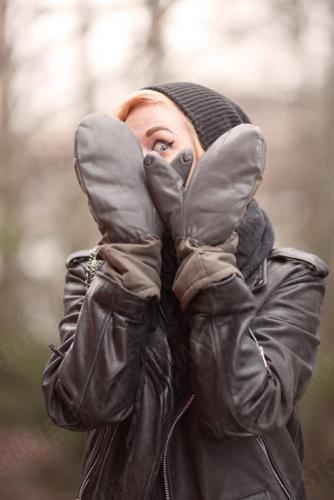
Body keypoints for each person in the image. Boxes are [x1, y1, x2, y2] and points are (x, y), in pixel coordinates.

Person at [41, 82, 329, 500]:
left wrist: (206, 261)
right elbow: (80, 406)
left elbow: (243, 410)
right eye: (126, 151)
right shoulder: (91, 272)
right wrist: (127, 271)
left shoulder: (289, 276)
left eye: (160, 144)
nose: (142, 165)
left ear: (221, 165)